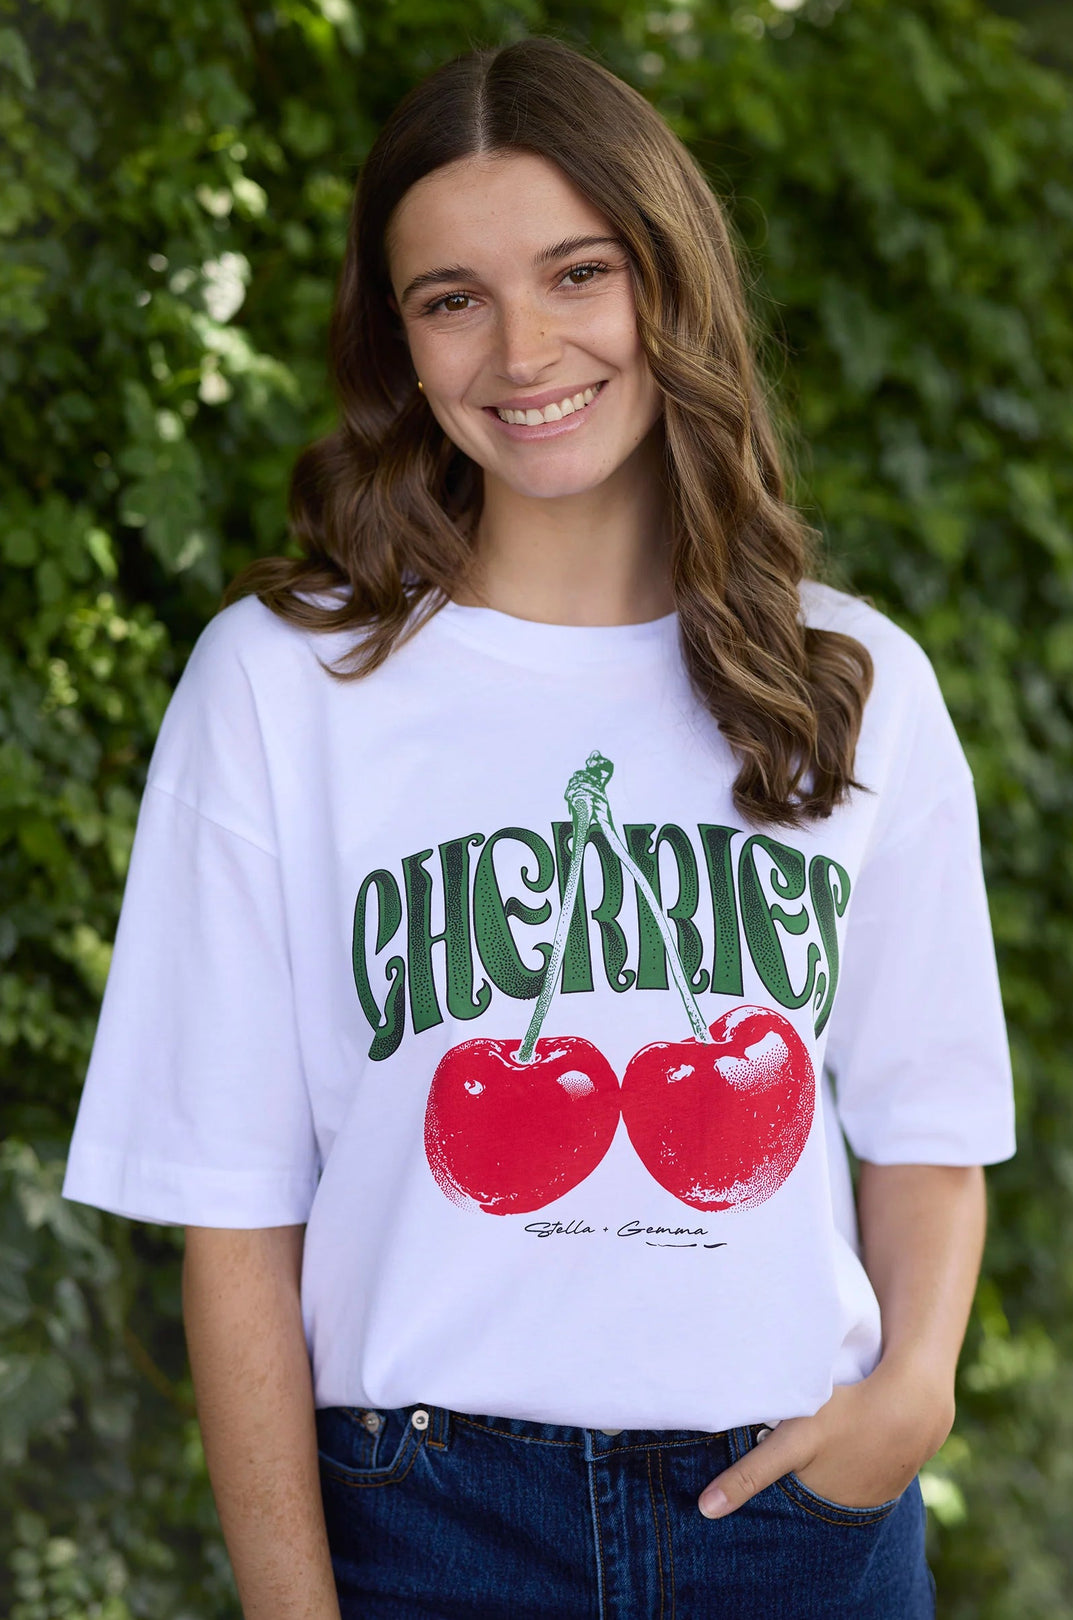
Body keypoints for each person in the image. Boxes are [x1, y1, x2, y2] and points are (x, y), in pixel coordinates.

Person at [61, 34, 1015, 1620]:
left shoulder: (851, 684)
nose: (524, 347)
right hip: (423, 1527)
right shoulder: (286, 684)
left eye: (580, 272)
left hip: (796, 1525)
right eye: (453, 297)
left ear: (672, 285)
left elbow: (929, 1132)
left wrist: (910, 1392)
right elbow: (237, 1223)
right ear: (400, 344)